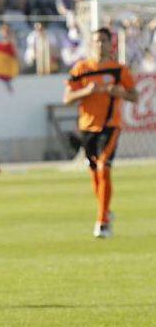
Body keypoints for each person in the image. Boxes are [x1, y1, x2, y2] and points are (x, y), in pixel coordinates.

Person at [63, 28, 138, 238]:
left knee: (104, 167)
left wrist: (120, 92)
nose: (100, 45)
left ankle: (102, 221)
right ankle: (105, 209)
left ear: (110, 44)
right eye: (96, 41)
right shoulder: (81, 68)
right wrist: (85, 92)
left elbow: (135, 96)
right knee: (94, 172)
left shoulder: (118, 70)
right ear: (91, 43)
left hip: (110, 126)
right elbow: (67, 98)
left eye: (104, 41)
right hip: (87, 127)